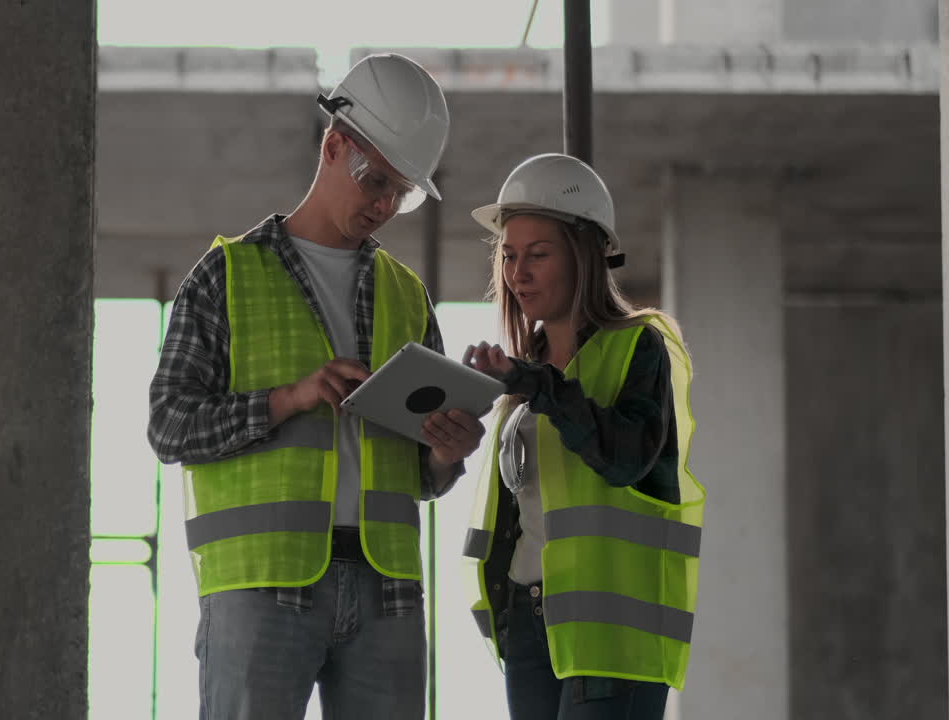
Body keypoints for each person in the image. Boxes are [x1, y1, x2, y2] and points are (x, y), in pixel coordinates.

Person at [147, 53, 486, 720]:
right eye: (375, 181)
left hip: (386, 586)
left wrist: (448, 452)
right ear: (333, 146)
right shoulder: (226, 275)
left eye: (403, 192)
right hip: (259, 585)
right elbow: (169, 425)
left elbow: (423, 475)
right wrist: (290, 399)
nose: (385, 205)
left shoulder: (406, 294)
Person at [459, 153, 706, 720]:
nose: (518, 272)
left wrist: (539, 385)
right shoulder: (526, 376)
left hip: (612, 634)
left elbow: (624, 459)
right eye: (509, 255)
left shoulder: (636, 347)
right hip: (528, 620)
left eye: (538, 255)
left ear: (586, 256)